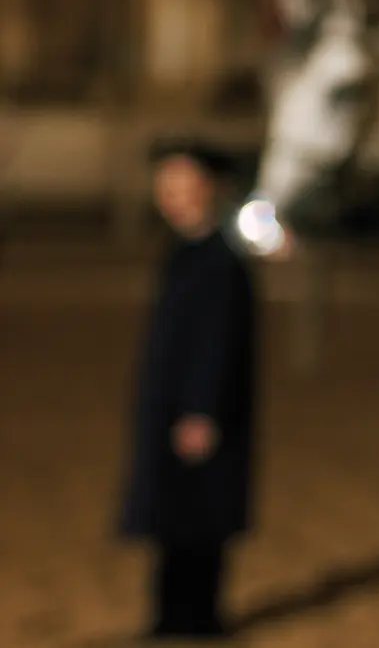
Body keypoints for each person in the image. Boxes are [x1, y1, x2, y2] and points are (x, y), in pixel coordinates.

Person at [119, 139, 258, 641]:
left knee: (201, 517)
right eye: (166, 188)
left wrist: (202, 409)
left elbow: (219, 342)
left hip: (200, 413)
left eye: (184, 186)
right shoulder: (182, 251)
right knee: (171, 519)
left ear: (212, 188)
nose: (173, 198)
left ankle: (199, 619)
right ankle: (169, 616)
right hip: (169, 406)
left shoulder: (222, 258)